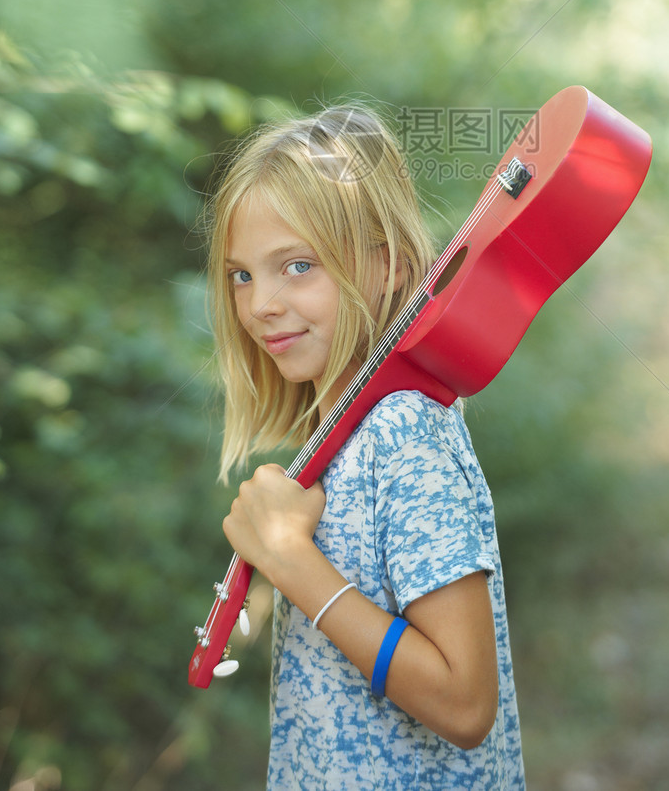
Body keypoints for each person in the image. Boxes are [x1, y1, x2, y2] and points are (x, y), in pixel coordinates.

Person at [208, 104, 525, 789]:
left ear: (385, 266)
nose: (260, 302)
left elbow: (465, 703)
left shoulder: (402, 431)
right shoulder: (336, 437)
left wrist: (293, 563)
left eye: (296, 266)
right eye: (242, 274)